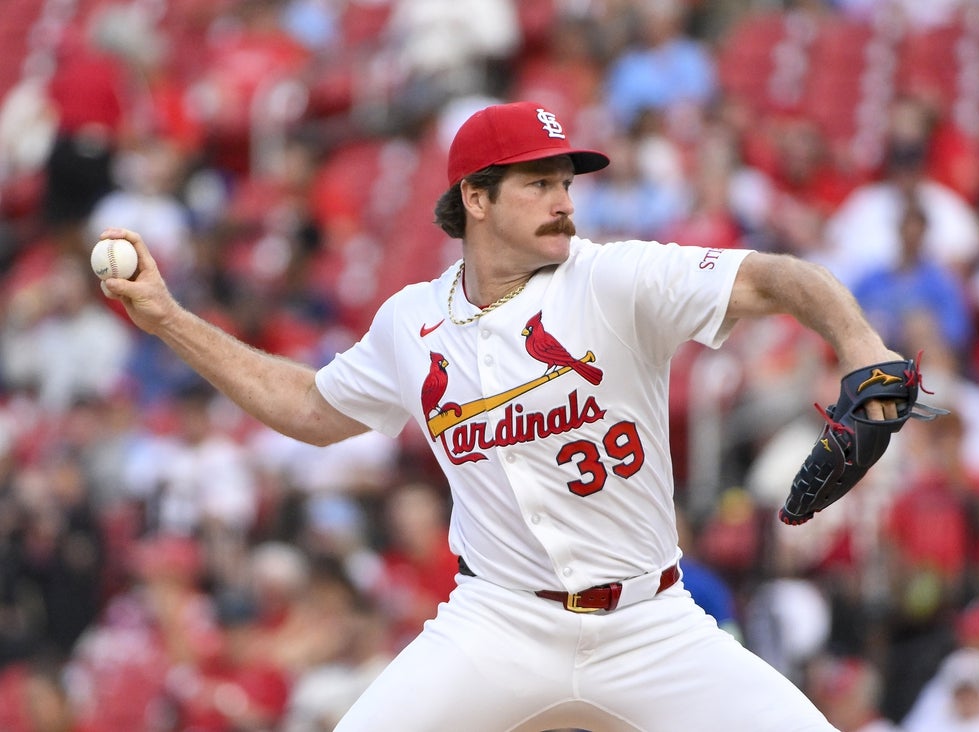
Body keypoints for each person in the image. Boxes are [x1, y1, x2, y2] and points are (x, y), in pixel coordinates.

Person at [98, 100, 911, 731]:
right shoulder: (411, 321)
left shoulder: (613, 278)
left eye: (566, 183)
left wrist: (860, 345)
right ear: (474, 198)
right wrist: (168, 319)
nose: (563, 201)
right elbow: (311, 409)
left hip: (649, 623)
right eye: (538, 183)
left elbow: (772, 278)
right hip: (498, 623)